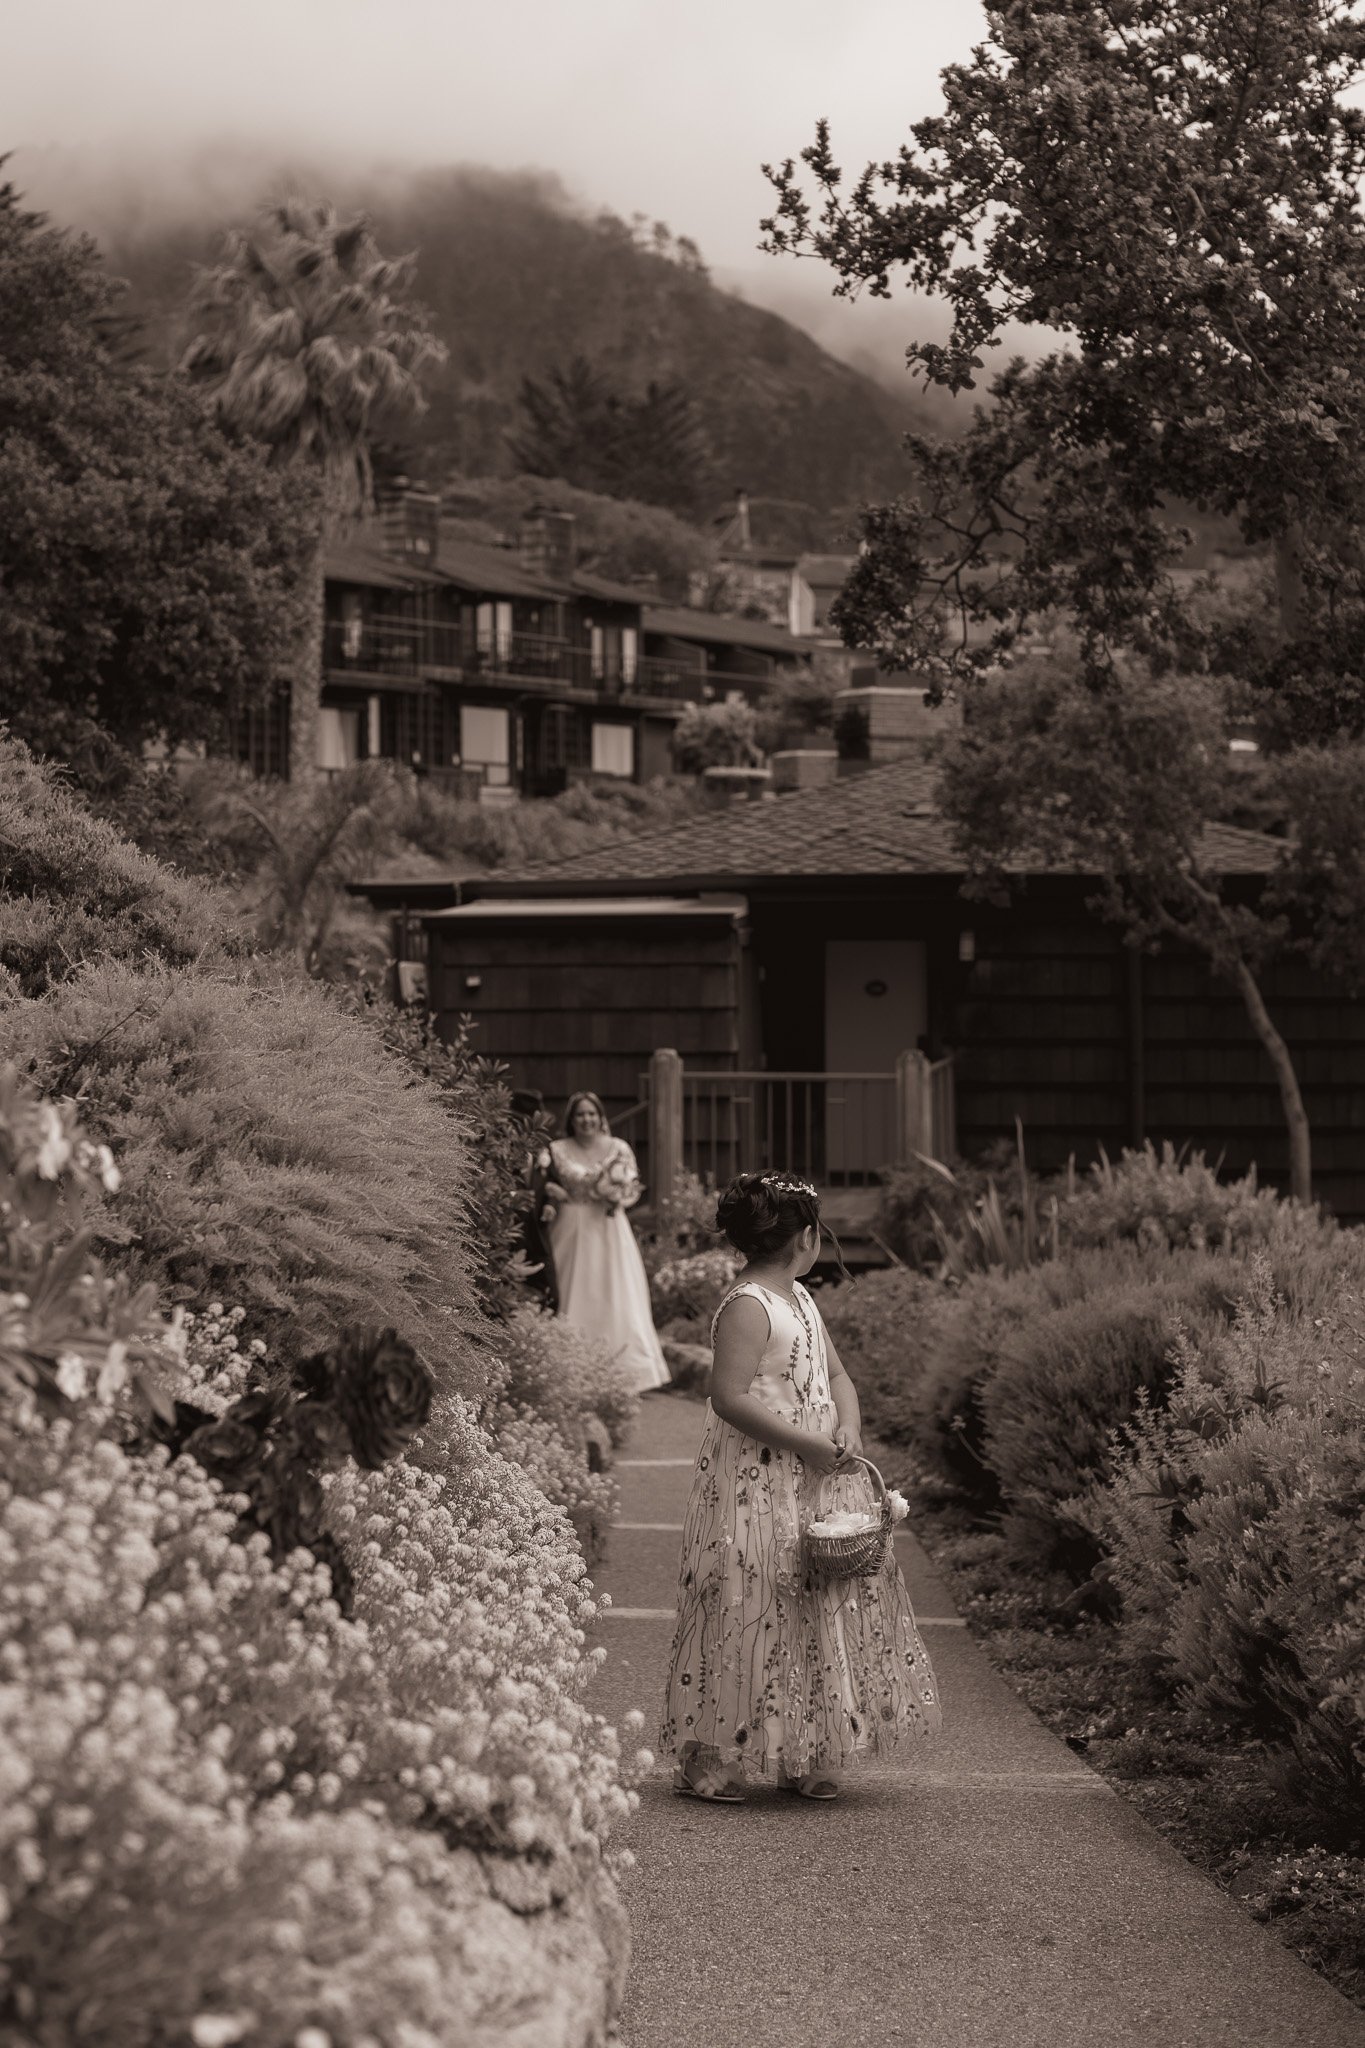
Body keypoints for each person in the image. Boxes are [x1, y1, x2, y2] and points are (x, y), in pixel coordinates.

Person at [659, 1171, 941, 1802]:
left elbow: (838, 1376)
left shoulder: (801, 1300)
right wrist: (809, 1443)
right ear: (807, 1237)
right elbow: (727, 1398)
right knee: (748, 1596)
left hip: (812, 1477)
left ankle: (802, 1744)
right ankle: (710, 1753)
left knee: (810, 1600)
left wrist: (848, 1425)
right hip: (756, 1479)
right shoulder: (749, 1306)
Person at [544, 1091, 670, 1392]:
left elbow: (630, 1188)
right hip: (570, 1227)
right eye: (580, 1115)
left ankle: (625, 1372)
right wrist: (552, 1191)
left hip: (609, 1227)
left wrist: (617, 1195)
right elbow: (542, 1186)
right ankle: (568, 1366)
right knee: (571, 1289)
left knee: (615, 1291)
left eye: (591, 1114)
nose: (586, 1120)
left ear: (601, 1118)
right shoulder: (555, 1149)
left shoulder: (619, 1148)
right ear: (571, 1120)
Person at [509, 1088, 558, 1311]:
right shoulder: (500, 1150)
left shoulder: (544, 1151)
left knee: (551, 1295)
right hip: (510, 1234)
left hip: (539, 1234)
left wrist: (551, 1204)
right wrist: (511, 1197)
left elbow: (555, 1184)